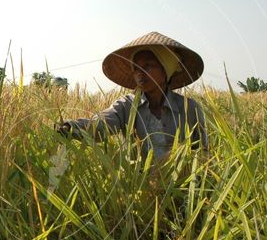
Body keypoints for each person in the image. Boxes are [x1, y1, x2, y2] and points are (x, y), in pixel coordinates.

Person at [57, 32, 208, 161]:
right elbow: (101, 124)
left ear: (165, 69)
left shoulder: (189, 108)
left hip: (180, 188)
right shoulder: (126, 106)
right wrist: (72, 128)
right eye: (135, 68)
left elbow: (202, 153)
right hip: (139, 190)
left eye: (148, 65)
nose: (139, 73)